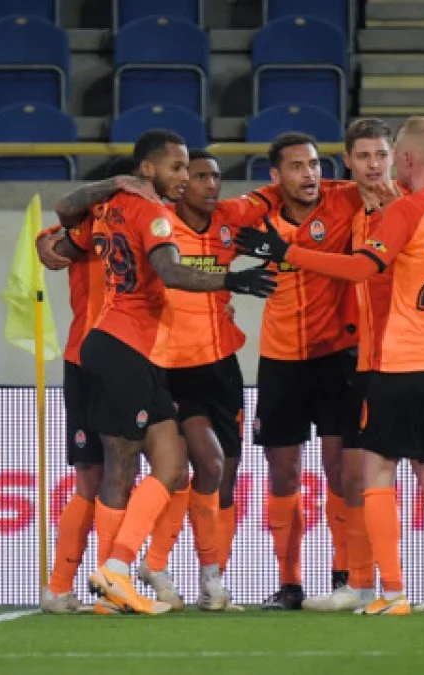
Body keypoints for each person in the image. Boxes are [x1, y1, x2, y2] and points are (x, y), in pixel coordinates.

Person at [236, 116, 424, 616]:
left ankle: (393, 590)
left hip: (392, 360)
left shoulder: (403, 210)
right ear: (348, 162)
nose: (374, 165)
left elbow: (360, 268)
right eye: (363, 156)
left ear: (401, 158)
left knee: (376, 472)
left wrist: (288, 253)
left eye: (383, 155)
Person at [45, 130, 277, 614]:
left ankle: (119, 568)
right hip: (122, 347)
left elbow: (67, 221)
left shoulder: (108, 210)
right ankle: (107, 581)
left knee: (171, 464)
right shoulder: (152, 213)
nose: (186, 177)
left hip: (134, 351)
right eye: (178, 167)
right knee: (119, 467)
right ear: (148, 170)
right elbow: (170, 271)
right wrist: (232, 279)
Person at [135, 150, 280, 611]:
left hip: (222, 365)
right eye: (199, 176)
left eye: (215, 176)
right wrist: (54, 238)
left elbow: (276, 195)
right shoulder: (159, 224)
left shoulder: (230, 219)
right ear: (180, 183)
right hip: (173, 366)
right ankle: (161, 563)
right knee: (204, 464)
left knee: (225, 475)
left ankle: (211, 578)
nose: (209, 184)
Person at [250, 133, 365, 610]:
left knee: (341, 471)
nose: (310, 174)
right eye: (297, 167)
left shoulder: (346, 198)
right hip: (281, 359)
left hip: (338, 354)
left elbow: (399, 189)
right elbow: (200, 220)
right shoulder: (256, 212)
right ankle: (290, 583)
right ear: (276, 176)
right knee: (283, 474)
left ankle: (344, 575)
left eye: (315, 164)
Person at [35, 160, 143, 615]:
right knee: (95, 477)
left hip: (133, 360)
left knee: (124, 473)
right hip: (88, 359)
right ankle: (63, 588)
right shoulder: (83, 227)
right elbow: (49, 246)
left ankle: (106, 586)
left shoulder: (147, 225)